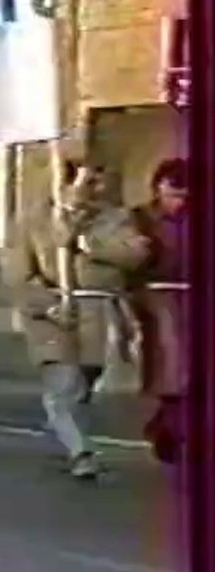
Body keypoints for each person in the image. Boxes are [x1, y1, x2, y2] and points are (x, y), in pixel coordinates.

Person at [1, 161, 151, 480]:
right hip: (53, 314)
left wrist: (86, 243)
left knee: (84, 382)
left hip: (98, 310)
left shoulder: (114, 218)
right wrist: (46, 304)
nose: (92, 190)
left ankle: (64, 420)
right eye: (85, 182)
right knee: (64, 383)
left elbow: (136, 254)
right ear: (64, 183)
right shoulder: (33, 222)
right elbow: (17, 274)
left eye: (96, 182)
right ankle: (80, 450)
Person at [126, 158, 190, 464]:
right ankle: (171, 430)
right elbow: (127, 258)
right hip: (156, 295)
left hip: (192, 294)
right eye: (172, 195)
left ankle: (168, 426)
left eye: (184, 197)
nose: (178, 203)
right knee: (173, 365)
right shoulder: (139, 218)